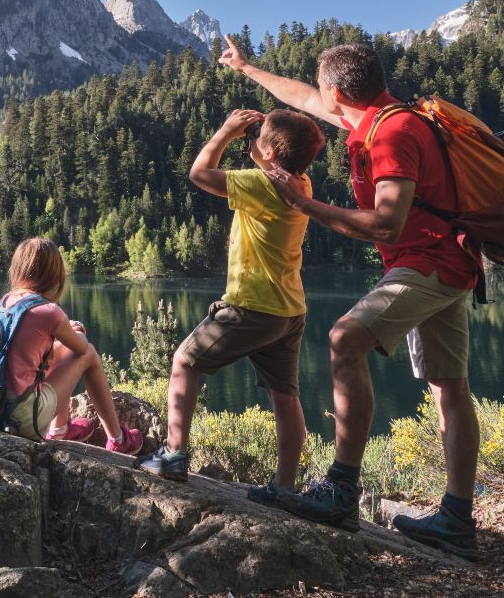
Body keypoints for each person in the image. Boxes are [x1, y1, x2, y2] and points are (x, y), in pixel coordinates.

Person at [219, 36, 482, 559]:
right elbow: (303, 98)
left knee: (344, 338)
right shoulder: (378, 117)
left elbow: (387, 225)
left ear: (340, 91)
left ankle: (341, 488)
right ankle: (457, 518)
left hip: (428, 262)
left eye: (324, 90)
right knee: (448, 384)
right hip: (449, 260)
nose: (319, 98)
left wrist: (303, 204)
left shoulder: (391, 136)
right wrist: (247, 69)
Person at [137, 107, 325, 495]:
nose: (251, 139)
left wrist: (225, 131)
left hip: (251, 306)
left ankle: (173, 455)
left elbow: (199, 173)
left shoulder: (260, 184)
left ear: (271, 153)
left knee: (185, 361)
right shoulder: (301, 184)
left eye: (259, 137)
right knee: (285, 397)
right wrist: (258, 142)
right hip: (289, 310)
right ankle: (284, 488)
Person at [0, 237, 144, 453]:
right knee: (89, 355)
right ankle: (119, 439)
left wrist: (61, 339)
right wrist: (75, 331)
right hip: (19, 421)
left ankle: (60, 429)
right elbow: (82, 349)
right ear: (54, 274)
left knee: (61, 349)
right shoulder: (48, 311)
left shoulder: (3, 304)